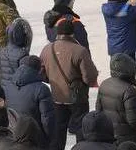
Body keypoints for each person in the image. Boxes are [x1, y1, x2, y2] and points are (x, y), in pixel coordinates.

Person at [40, 19, 98, 150]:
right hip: (77, 97)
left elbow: (41, 72)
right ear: (72, 33)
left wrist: (53, 79)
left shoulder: (47, 49)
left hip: (57, 96)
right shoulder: (80, 50)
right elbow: (89, 77)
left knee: (58, 131)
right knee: (80, 128)